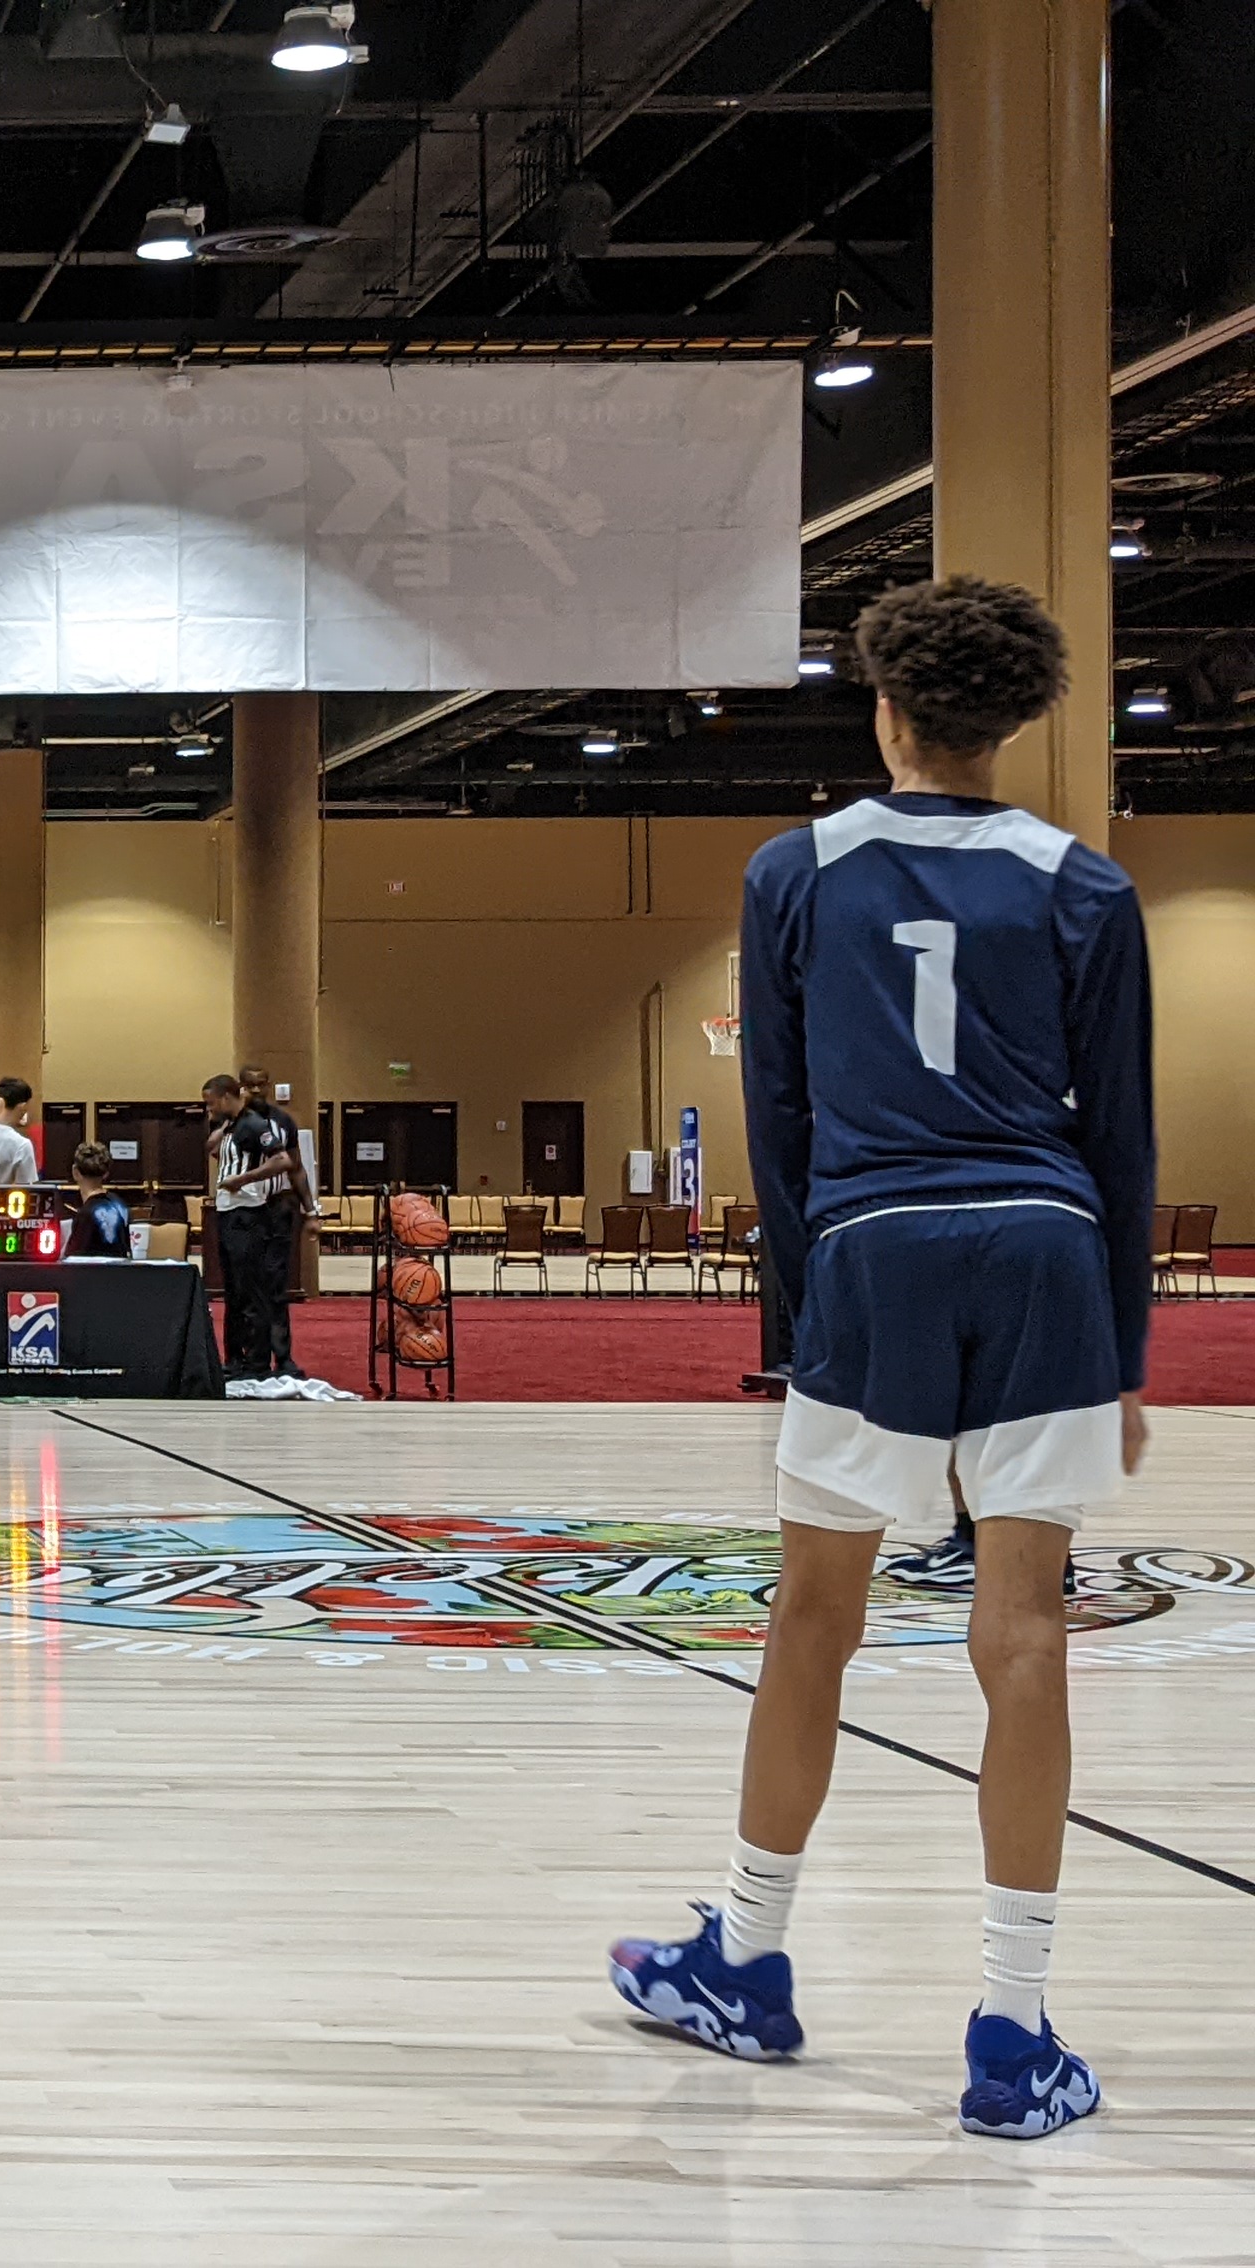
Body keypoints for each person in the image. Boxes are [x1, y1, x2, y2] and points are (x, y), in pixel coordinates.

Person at [607, 574, 1151, 2141]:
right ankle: (1012, 2033)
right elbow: (1120, 1134)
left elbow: (777, 1120)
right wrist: (1122, 1348)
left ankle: (744, 1961)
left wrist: (799, 1318)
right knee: (1024, 1633)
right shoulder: (1085, 885)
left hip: (869, 1249)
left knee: (813, 1617)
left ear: (887, 710)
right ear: (1013, 723)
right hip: (1047, 1251)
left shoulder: (795, 872)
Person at [205, 1073, 303, 1385]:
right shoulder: (231, 1125)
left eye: (211, 1103)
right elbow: (211, 1148)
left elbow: (282, 1160)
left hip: (247, 1213)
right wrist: (221, 1128)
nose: (208, 1109)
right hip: (228, 1212)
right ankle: (235, 1358)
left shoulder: (253, 1124)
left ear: (225, 1097)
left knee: (251, 1292)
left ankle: (257, 1360)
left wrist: (243, 1179)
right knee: (234, 1291)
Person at [64, 1145, 137, 1260]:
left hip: (96, 1271)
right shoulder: (120, 1205)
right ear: (106, 1173)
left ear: (75, 1172)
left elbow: (73, 1260)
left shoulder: (85, 1214)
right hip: (122, 1269)